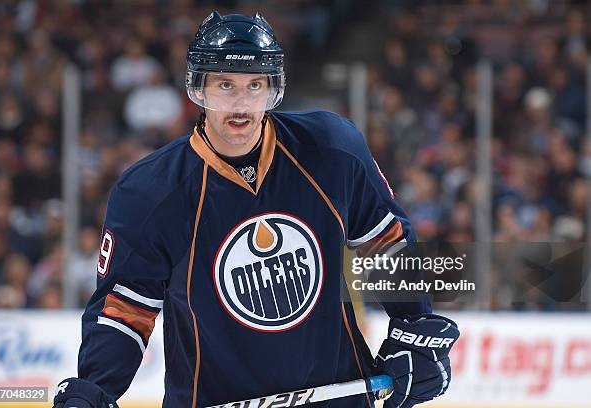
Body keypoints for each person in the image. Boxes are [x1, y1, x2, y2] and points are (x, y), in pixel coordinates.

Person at [53, 11, 459, 408]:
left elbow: (385, 246)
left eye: (254, 85)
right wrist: (95, 387)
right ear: (198, 89)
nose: (241, 104)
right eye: (225, 85)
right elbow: (125, 310)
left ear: (273, 88)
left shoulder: (331, 151)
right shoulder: (149, 192)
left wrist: (416, 326)